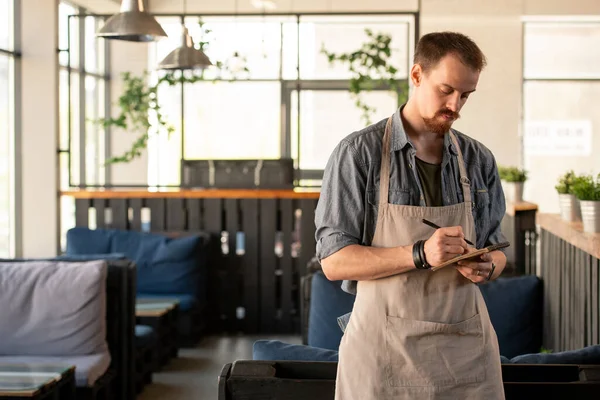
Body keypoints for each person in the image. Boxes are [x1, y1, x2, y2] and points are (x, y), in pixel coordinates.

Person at [314, 31, 507, 400]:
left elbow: (497, 250)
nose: (456, 105)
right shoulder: (359, 154)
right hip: (381, 356)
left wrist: (488, 266)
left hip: (465, 355)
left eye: (466, 95)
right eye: (446, 90)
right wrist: (419, 254)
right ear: (416, 75)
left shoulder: (479, 160)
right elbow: (335, 262)